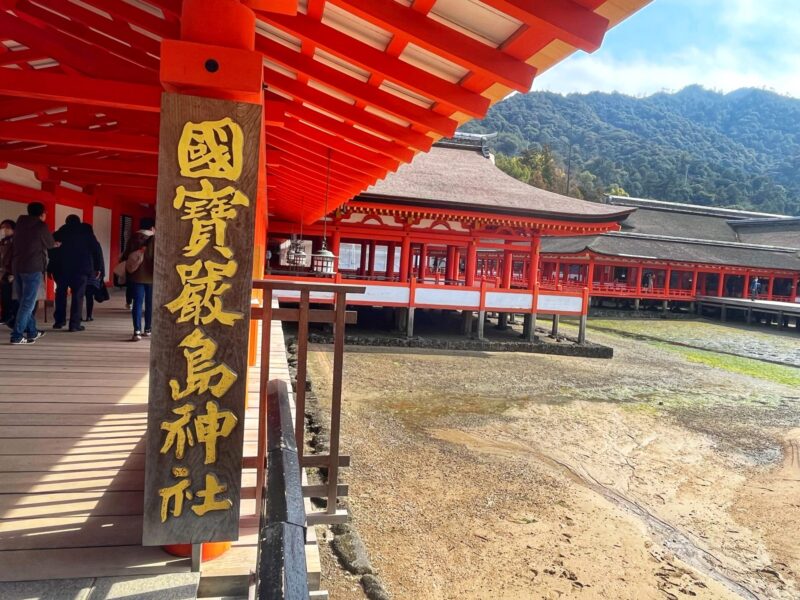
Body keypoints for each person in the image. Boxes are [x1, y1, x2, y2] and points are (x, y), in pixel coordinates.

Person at [10, 202, 57, 345]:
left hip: (17, 266)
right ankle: (17, 336)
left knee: (23, 301)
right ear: (41, 213)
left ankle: (32, 331)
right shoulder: (40, 226)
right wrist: (56, 244)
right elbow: (49, 244)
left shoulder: (20, 224)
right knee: (28, 303)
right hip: (33, 268)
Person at [50, 214, 102, 332]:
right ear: (79, 222)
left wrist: (50, 268)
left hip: (61, 269)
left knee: (60, 294)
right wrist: (97, 268)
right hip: (81, 270)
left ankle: (59, 321)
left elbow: (51, 252)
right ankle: (74, 324)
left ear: (66, 222)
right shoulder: (87, 235)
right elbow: (96, 251)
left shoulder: (58, 234)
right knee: (78, 296)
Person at [121, 217, 155, 342]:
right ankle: (148, 329)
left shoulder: (133, 238)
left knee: (137, 303)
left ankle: (137, 331)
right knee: (150, 303)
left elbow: (125, 256)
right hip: (151, 277)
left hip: (135, 276)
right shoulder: (155, 239)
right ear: (152, 227)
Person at [83, 223, 105, 322]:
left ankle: (78, 315)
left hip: (80, 271)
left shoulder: (78, 241)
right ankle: (89, 315)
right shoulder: (94, 242)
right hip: (92, 271)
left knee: (78, 295)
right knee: (89, 295)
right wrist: (100, 270)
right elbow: (99, 257)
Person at [0, 219, 16, 325]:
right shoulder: (3, 241)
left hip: (12, 272)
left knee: (12, 297)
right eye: (2, 227)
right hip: (3, 272)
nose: (4, 230)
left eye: (7, 227)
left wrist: (14, 273)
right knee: (4, 296)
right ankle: (5, 316)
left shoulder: (15, 242)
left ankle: (11, 317)